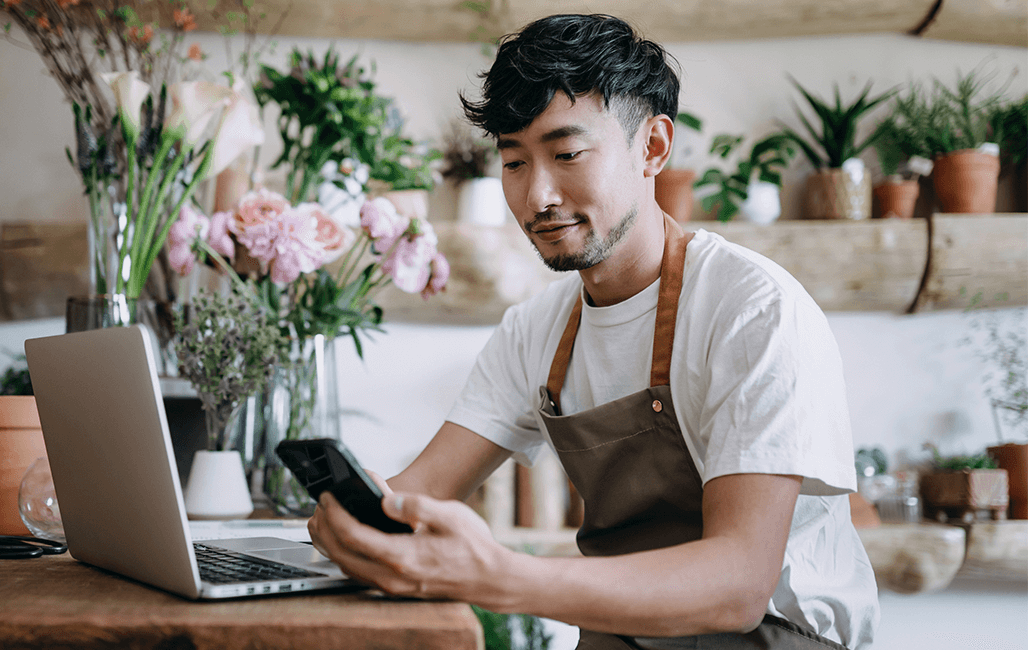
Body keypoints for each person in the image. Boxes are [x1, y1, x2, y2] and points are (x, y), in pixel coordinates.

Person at [306, 14, 879, 650]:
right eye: (514, 161)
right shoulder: (536, 331)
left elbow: (739, 586)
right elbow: (416, 494)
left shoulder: (753, 310)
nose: (537, 195)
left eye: (567, 154)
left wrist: (499, 576)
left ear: (653, 148)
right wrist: (346, 522)